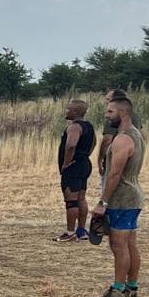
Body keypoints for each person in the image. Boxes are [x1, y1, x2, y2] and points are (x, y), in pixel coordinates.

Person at [93, 96, 146, 297]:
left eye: (110, 112)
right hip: (134, 196)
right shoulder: (138, 135)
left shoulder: (123, 139)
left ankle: (117, 290)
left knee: (119, 245)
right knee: (130, 244)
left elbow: (114, 174)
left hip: (122, 199)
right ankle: (131, 287)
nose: (107, 116)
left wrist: (103, 202)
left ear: (123, 113)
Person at [56, 100, 97, 242]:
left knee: (71, 200)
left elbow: (71, 145)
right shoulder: (89, 126)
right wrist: (85, 155)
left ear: (75, 112)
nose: (66, 111)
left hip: (73, 166)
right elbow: (94, 143)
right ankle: (81, 230)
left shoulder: (74, 127)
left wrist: (66, 163)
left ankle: (70, 232)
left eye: (68, 109)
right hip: (84, 164)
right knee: (81, 198)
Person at [97, 88, 143, 192]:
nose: (106, 102)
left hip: (114, 161)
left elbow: (107, 140)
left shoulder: (114, 118)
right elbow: (142, 136)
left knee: (110, 190)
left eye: (108, 99)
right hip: (131, 163)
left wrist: (100, 160)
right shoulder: (134, 116)